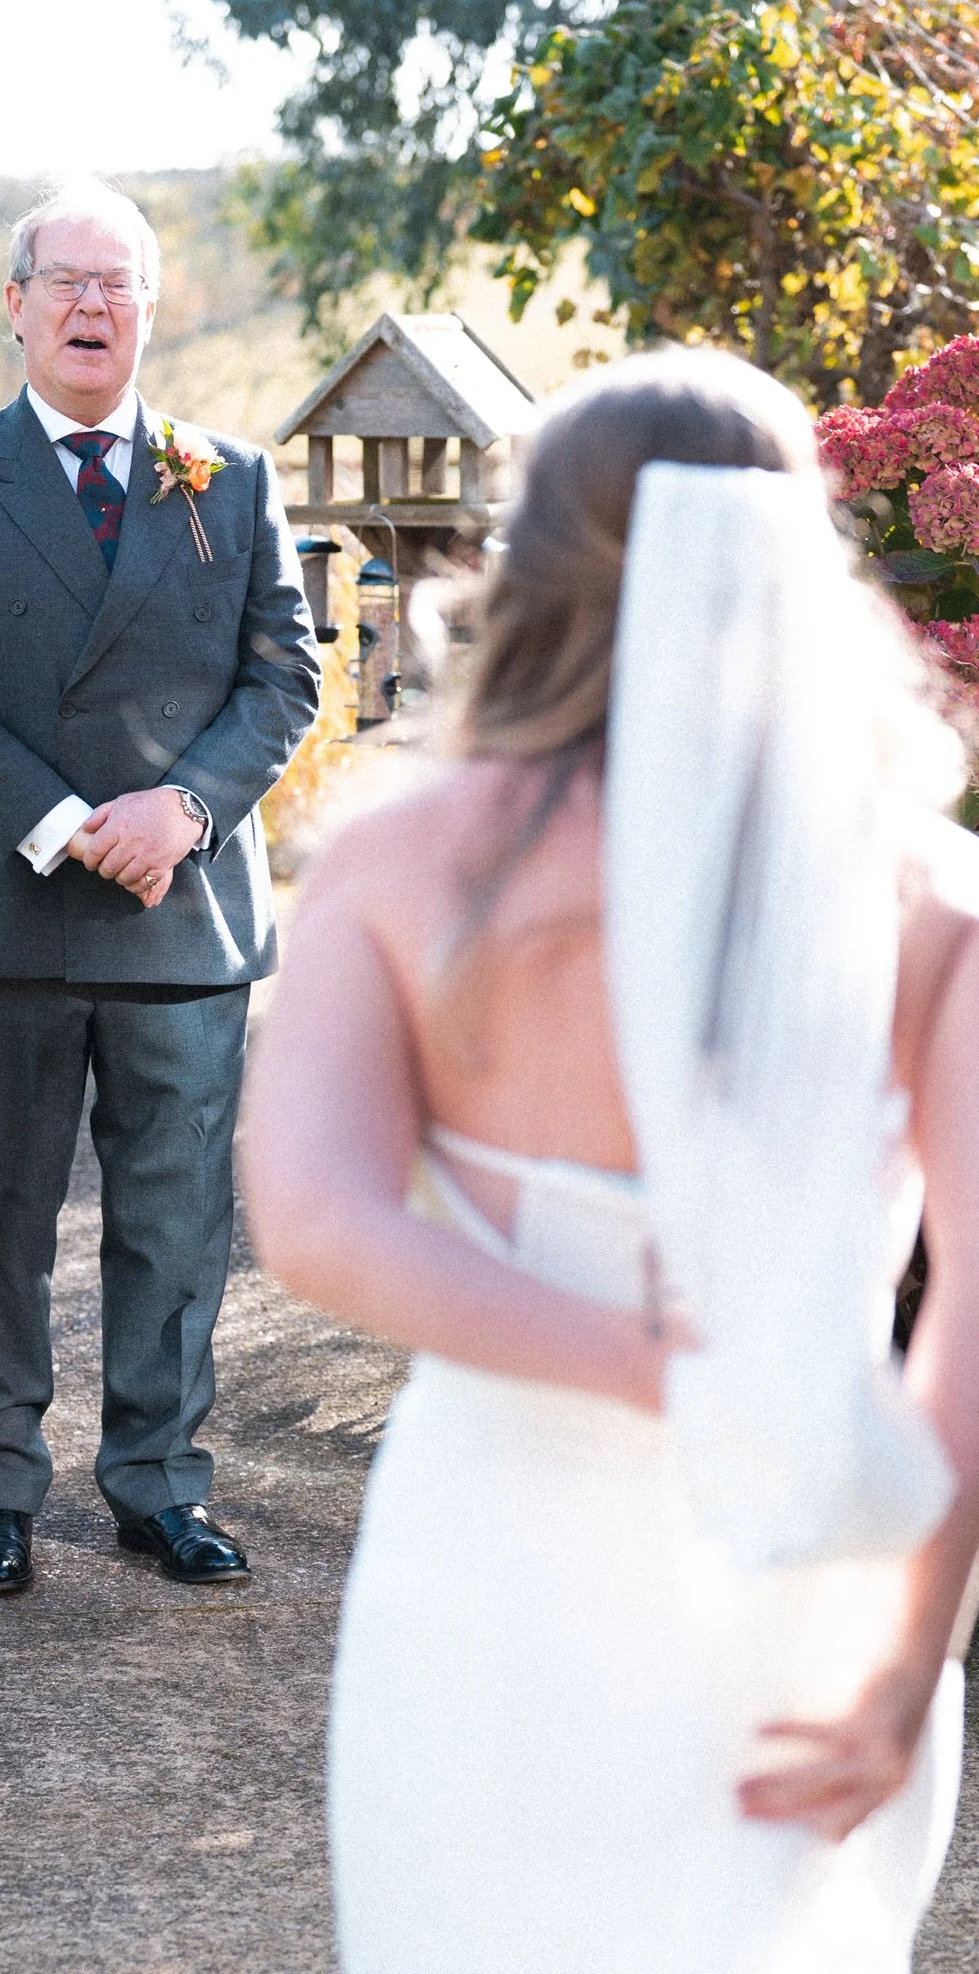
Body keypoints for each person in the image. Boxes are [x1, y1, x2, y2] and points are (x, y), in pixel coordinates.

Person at [243, 349, 979, 1972]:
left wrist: (647, 1363)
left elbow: (316, 1222)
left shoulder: (392, 861)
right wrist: (908, 1658)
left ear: (531, 568)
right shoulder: (934, 899)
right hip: (815, 1587)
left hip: (491, 1570)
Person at [0, 177, 318, 1597]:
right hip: (4, 909)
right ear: (13, 306)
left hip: (178, 915)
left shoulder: (229, 477)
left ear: (148, 307)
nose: (89, 303)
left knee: (176, 1227)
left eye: (116, 281)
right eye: (62, 279)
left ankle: (159, 1487)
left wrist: (182, 809)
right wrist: (66, 821)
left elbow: (283, 676)